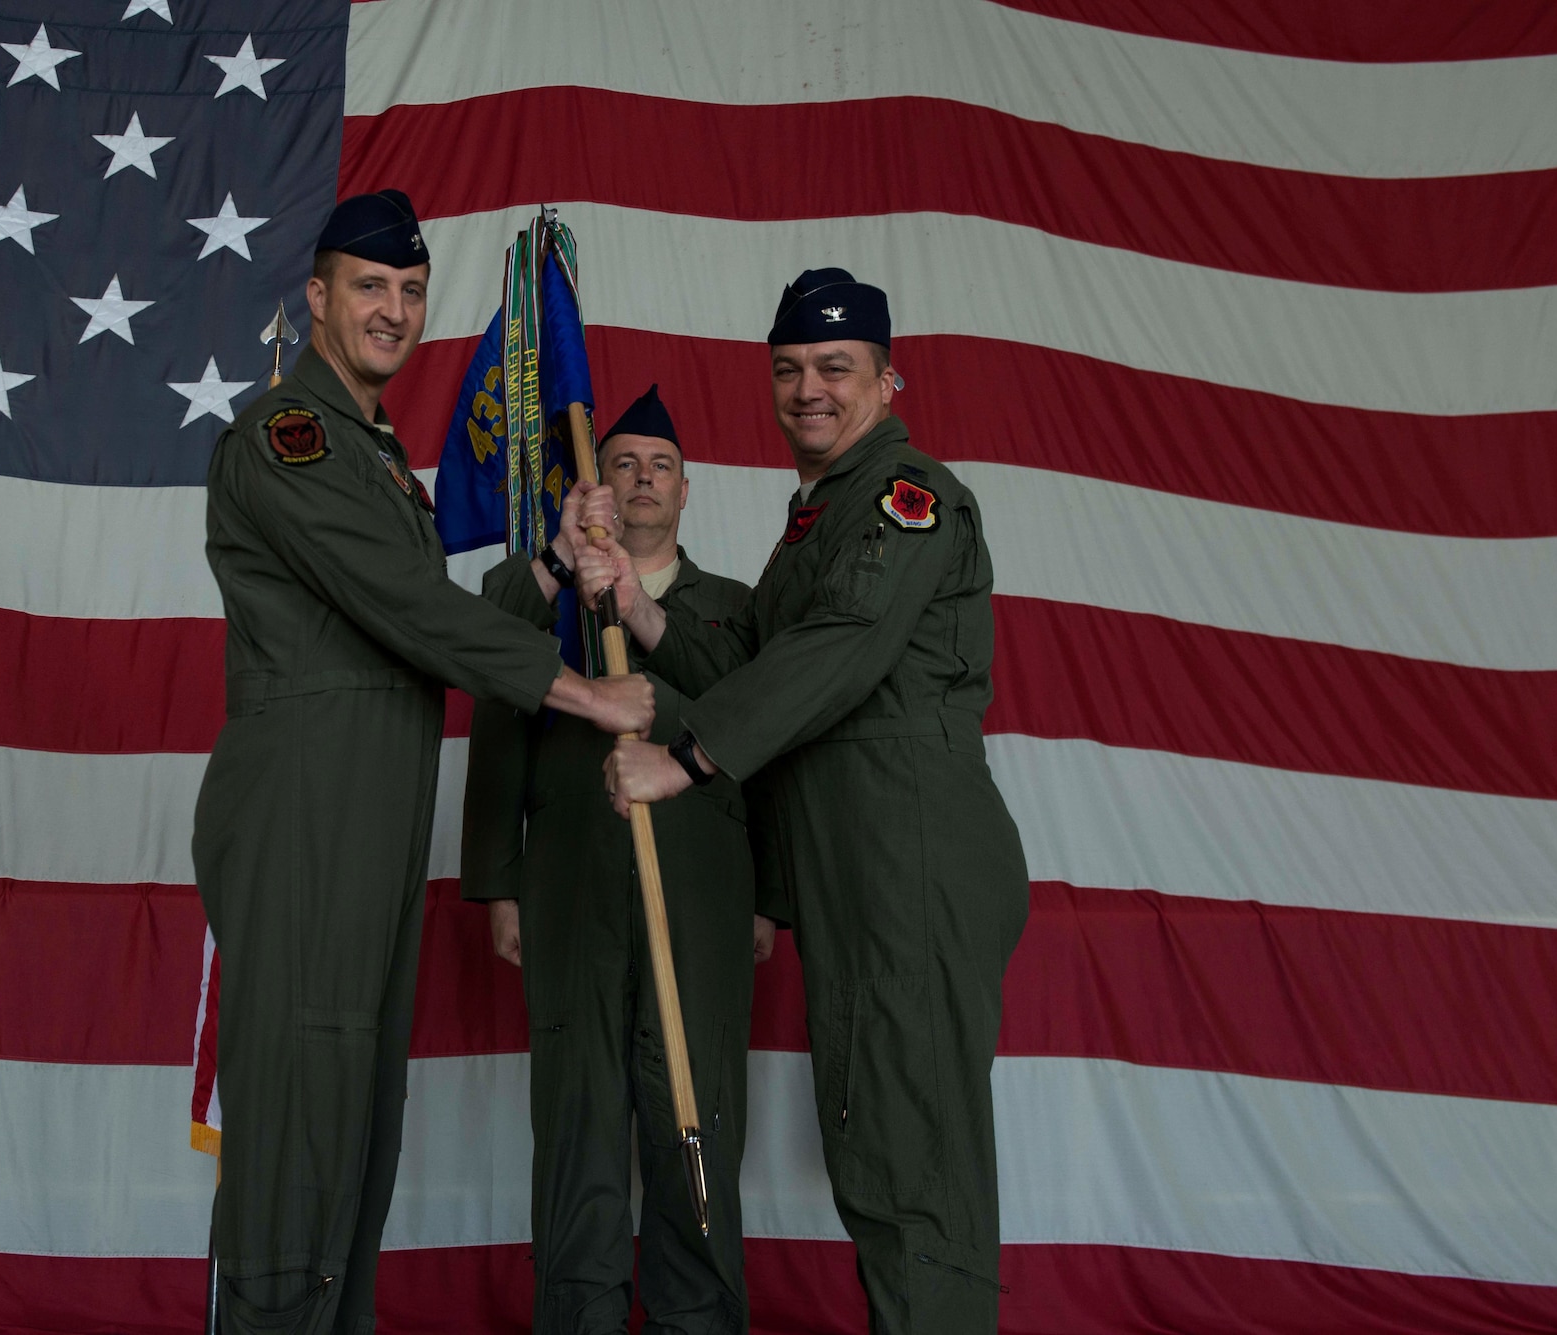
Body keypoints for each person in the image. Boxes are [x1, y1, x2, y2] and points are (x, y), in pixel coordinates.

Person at [193, 189, 655, 1335]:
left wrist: (548, 567)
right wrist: (581, 690)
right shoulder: (283, 438)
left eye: (408, 291)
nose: (393, 310)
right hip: (306, 812)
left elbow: (418, 610)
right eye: (367, 286)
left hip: (370, 814)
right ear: (315, 298)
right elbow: (403, 606)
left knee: (356, 1123)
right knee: (300, 1126)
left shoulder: (371, 452)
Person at [571, 271, 1030, 1334]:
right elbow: (752, 654)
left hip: (905, 847)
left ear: (884, 378)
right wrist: (637, 606)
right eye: (788, 370)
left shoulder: (902, 495)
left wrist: (682, 759)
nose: (807, 390)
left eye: (834, 368)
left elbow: (841, 647)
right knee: (876, 1145)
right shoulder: (817, 517)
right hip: (853, 855)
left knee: (912, 1159)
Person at [460, 386, 780, 1334]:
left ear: (688, 491)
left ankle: (698, 1320)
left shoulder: (737, 610)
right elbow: (490, 679)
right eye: (624, 463)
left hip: (702, 898)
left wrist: (775, 895)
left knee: (695, 1120)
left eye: (661, 466)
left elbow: (769, 734)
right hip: (571, 892)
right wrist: (498, 879)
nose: (642, 479)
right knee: (578, 1131)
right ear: (599, 487)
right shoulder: (549, 601)